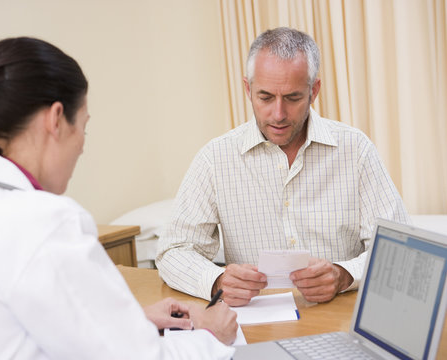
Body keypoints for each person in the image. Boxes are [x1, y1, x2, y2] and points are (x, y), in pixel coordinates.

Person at [0, 37, 237, 359]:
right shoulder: (41, 221)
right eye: (83, 126)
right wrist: (211, 336)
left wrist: (128, 321)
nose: (82, 145)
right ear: (55, 119)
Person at [156, 27, 410, 306]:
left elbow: (400, 249)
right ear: (247, 89)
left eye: (292, 98)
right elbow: (174, 250)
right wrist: (215, 280)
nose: (278, 114)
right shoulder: (215, 158)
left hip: (339, 317)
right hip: (254, 325)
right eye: (265, 97)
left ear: (313, 91)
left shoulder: (356, 149)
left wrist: (344, 275)